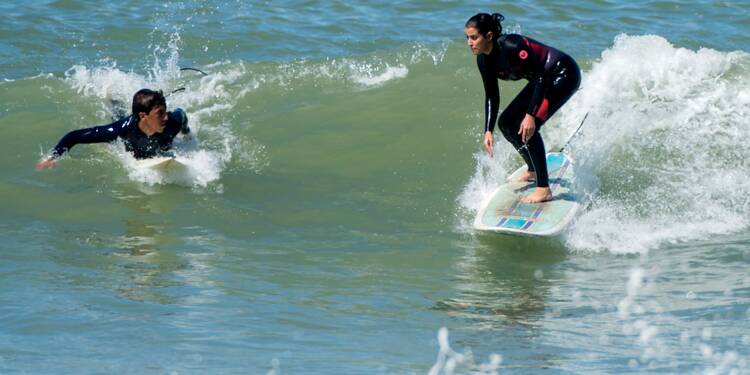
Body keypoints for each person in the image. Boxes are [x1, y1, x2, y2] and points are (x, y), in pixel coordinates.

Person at [465, 13, 581, 203]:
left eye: (474, 37)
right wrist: (488, 130)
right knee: (506, 124)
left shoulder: (512, 46)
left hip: (562, 74)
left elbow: (542, 77)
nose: (470, 42)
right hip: (541, 80)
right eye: (467, 38)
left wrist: (530, 115)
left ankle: (543, 189)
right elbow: (492, 95)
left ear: (489, 36)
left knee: (529, 127)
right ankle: (533, 170)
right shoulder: (483, 60)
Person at [36, 89, 190, 170]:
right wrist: (52, 158)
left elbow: (181, 114)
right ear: (143, 116)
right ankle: (113, 99)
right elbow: (75, 136)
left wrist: (186, 133)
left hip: (157, 142)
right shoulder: (121, 131)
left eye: (165, 112)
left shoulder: (173, 123)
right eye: (160, 114)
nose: (166, 118)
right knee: (118, 114)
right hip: (127, 127)